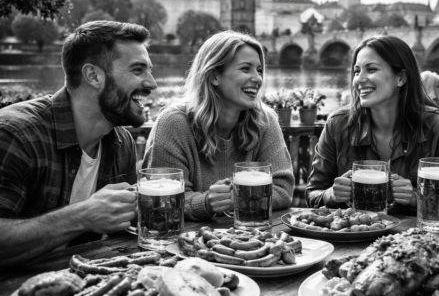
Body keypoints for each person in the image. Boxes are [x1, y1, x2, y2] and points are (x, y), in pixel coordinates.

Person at [0, 21, 157, 268]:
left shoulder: (122, 142)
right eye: (138, 71)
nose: (152, 83)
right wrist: (82, 216)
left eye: (150, 71)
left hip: (84, 285)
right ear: (93, 75)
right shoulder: (16, 135)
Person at [143, 31, 294, 220]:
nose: (258, 78)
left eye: (259, 70)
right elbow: (163, 199)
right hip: (186, 239)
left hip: (251, 238)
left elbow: (283, 189)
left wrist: (236, 197)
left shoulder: (266, 121)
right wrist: (206, 203)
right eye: (246, 69)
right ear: (214, 76)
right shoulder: (173, 123)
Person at [305, 35, 439, 213]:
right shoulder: (337, 125)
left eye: (371, 69)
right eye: (356, 71)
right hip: (353, 236)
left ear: (400, 78)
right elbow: (312, 194)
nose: (359, 80)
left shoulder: (437, 125)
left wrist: (416, 198)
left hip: (411, 238)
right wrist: (330, 195)